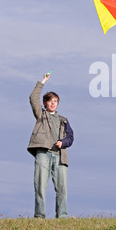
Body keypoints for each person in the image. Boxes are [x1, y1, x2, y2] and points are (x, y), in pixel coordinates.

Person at [27, 72, 74, 218]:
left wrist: (63, 142)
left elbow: (71, 137)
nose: (53, 103)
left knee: (62, 189)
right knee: (40, 186)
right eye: (50, 101)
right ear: (45, 103)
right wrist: (43, 81)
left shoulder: (63, 120)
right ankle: (39, 216)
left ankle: (63, 217)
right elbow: (33, 98)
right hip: (43, 154)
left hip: (60, 157)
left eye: (55, 101)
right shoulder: (41, 115)